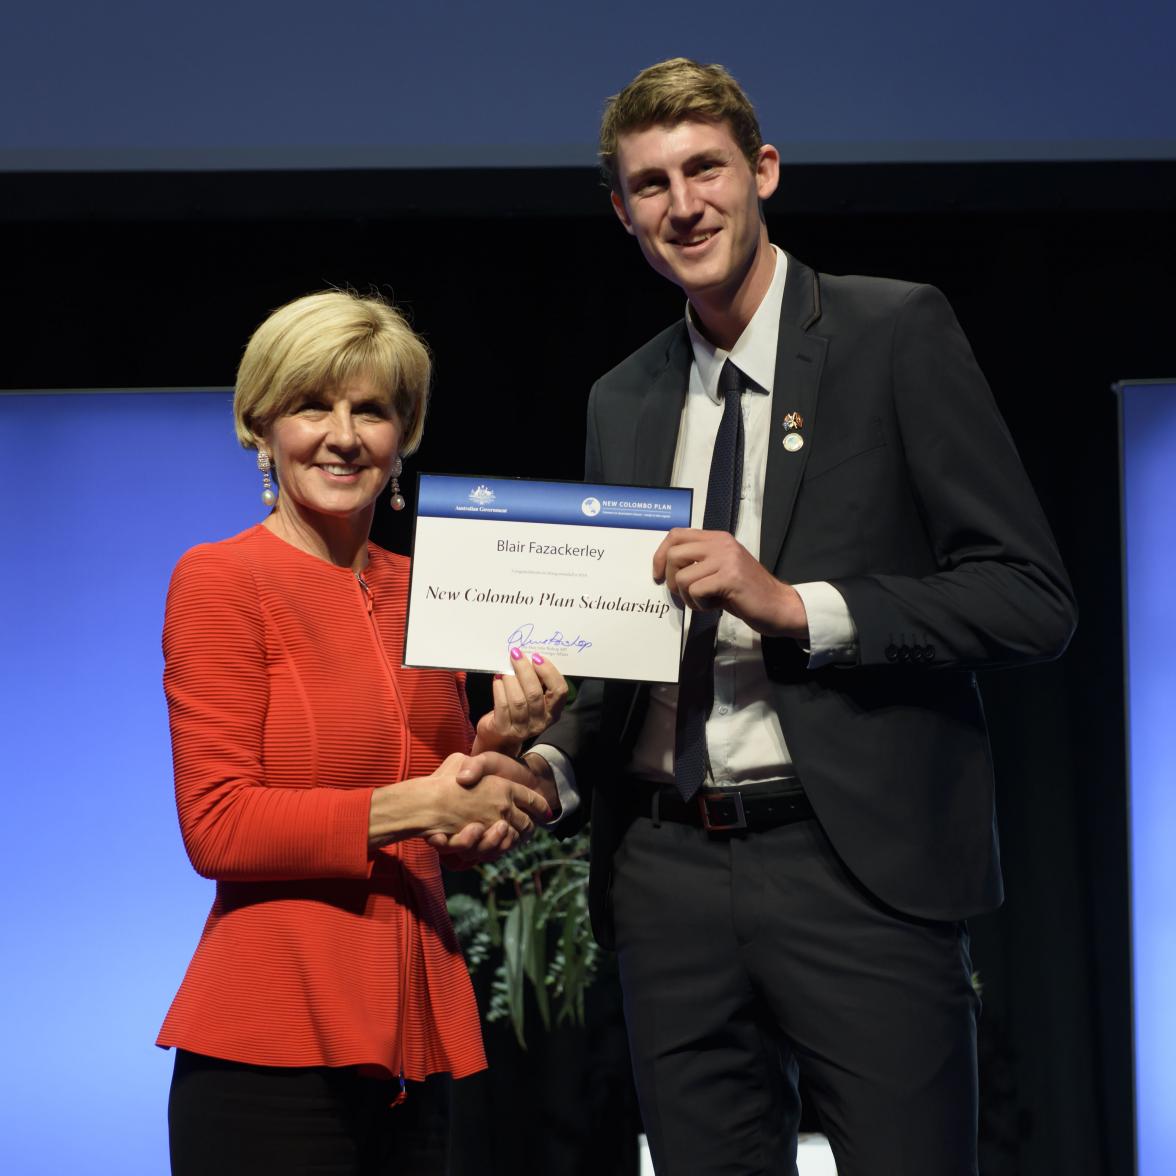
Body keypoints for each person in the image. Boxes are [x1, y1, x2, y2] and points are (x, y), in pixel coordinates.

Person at [519, 59, 1078, 1175]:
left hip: (854, 868)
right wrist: (546, 758)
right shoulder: (620, 397)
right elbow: (621, 662)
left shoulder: (892, 333)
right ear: (621, 213)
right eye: (649, 185)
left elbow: (1030, 596)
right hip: (670, 875)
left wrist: (795, 608)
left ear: (762, 170)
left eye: (705, 169)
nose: (684, 204)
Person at [157, 289, 566, 1175]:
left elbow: (445, 830)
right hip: (271, 1037)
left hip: (413, 1037)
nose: (343, 435)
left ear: (403, 434)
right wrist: (420, 801)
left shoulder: (428, 586)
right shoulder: (219, 580)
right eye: (313, 405)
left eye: (372, 410)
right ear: (262, 424)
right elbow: (218, 826)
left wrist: (500, 751)